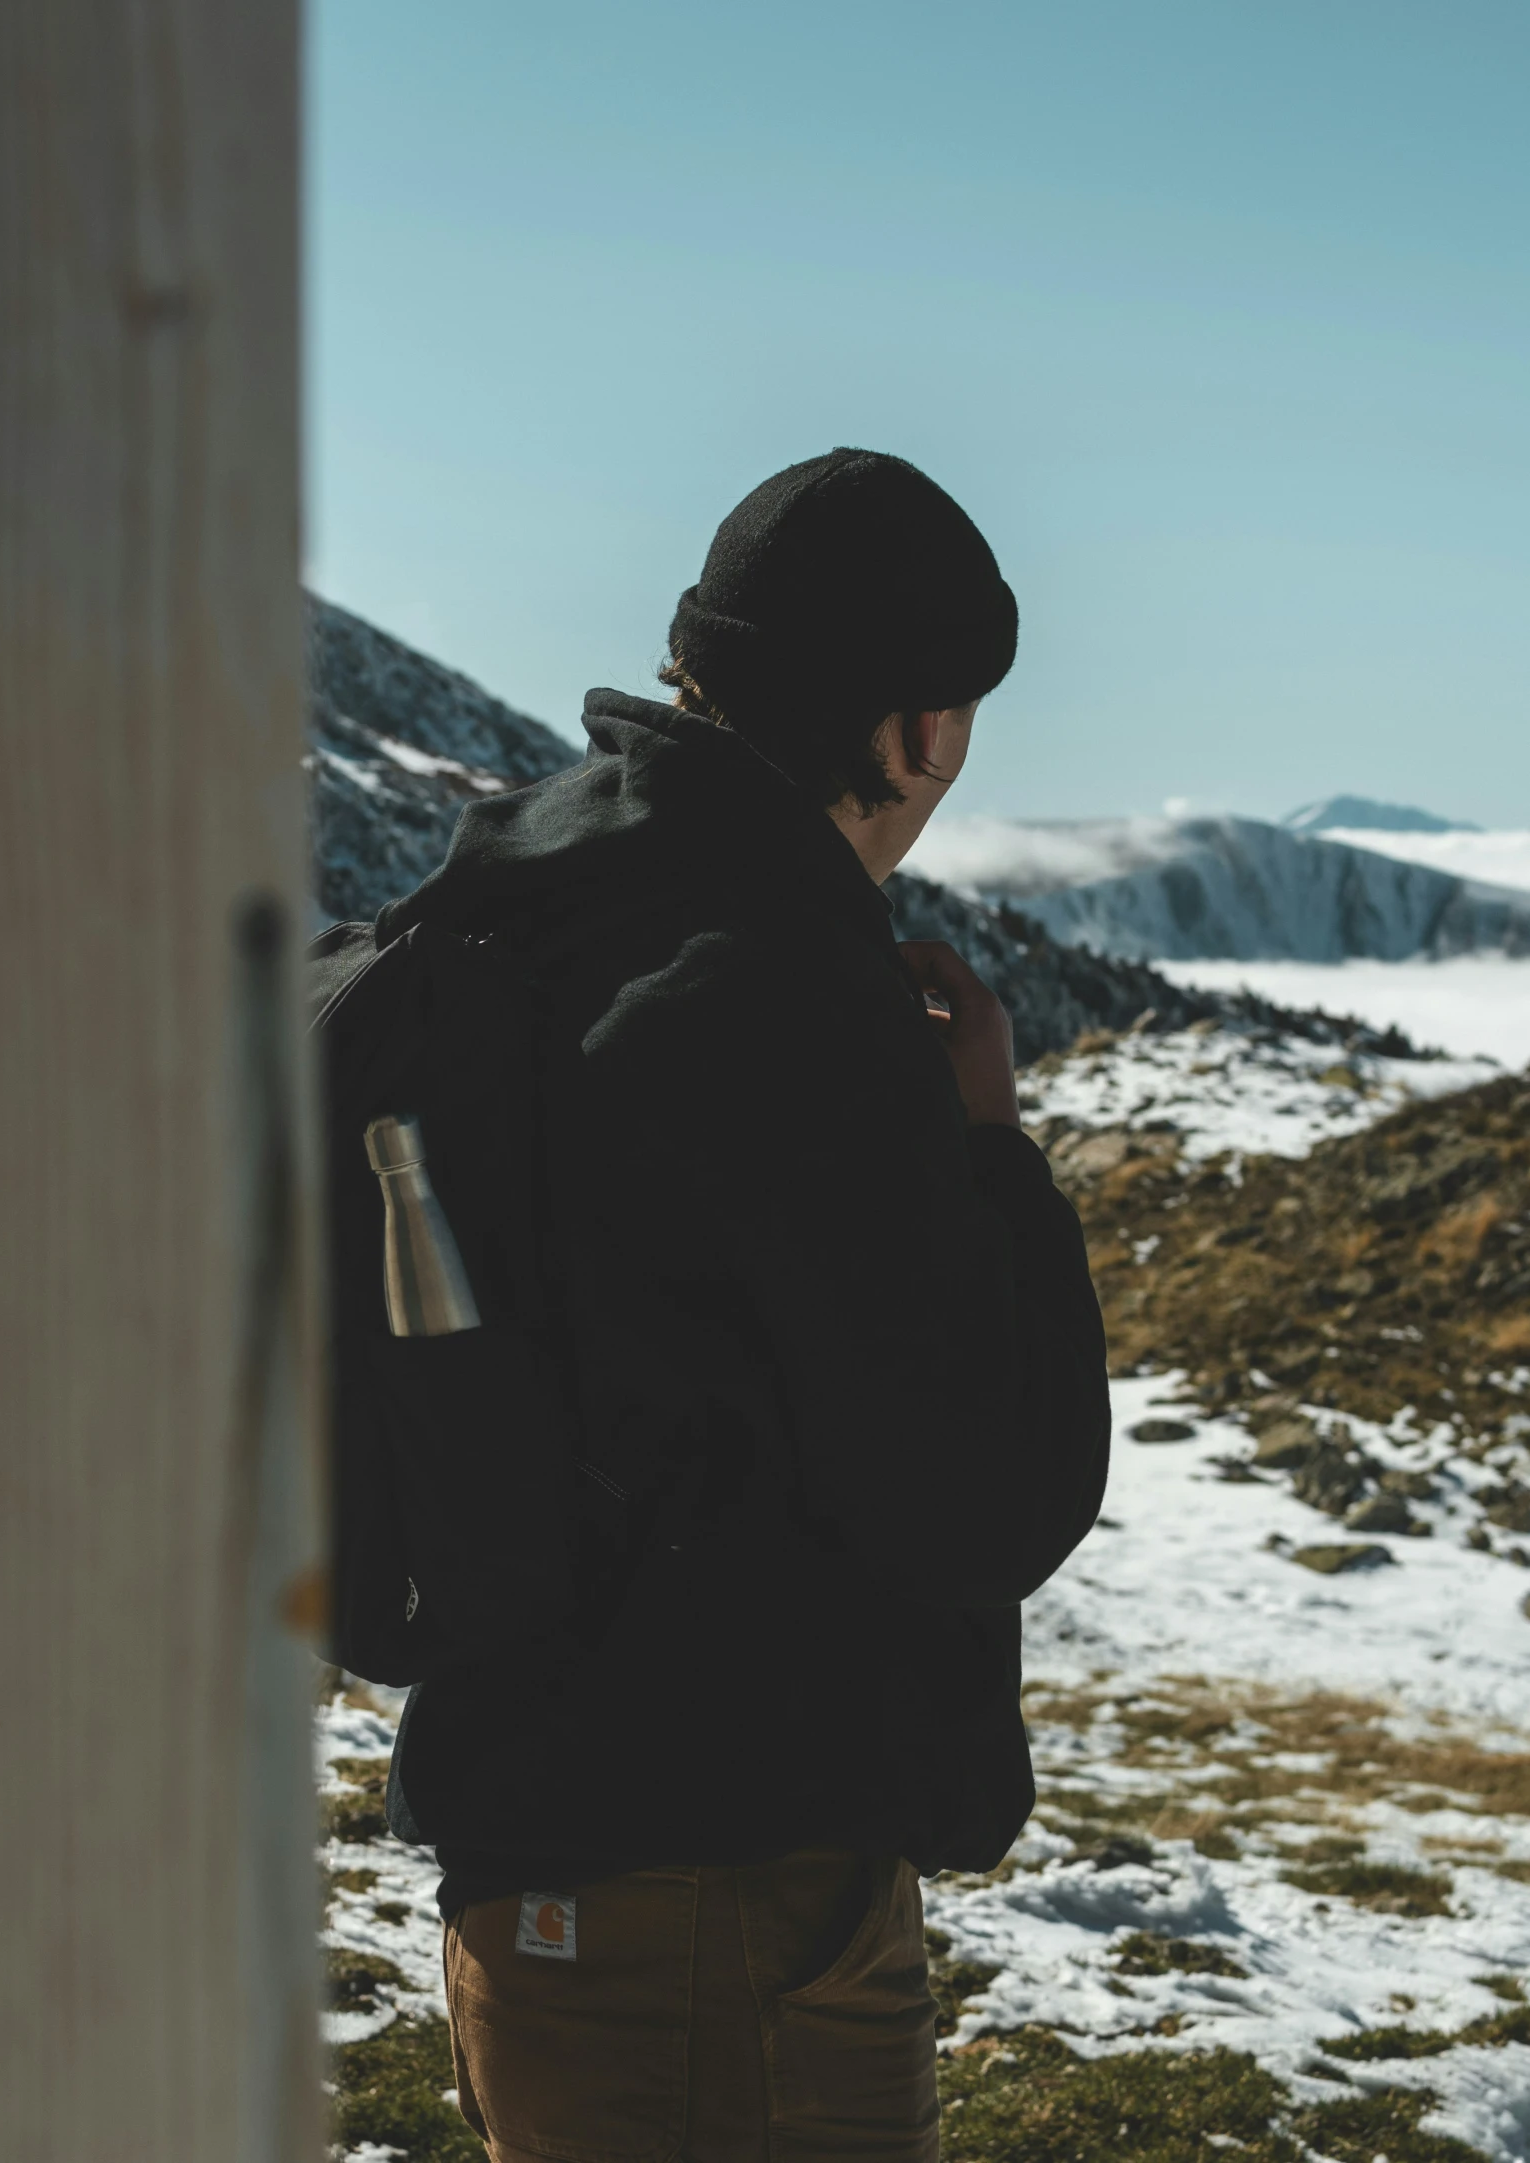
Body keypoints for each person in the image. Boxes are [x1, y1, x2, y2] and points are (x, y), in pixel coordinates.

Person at [379, 448, 1110, 2161]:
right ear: (918, 732)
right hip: (722, 1907)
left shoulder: (534, 894)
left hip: (528, 1859)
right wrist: (992, 1153)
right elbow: (988, 1491)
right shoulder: (783, 988)